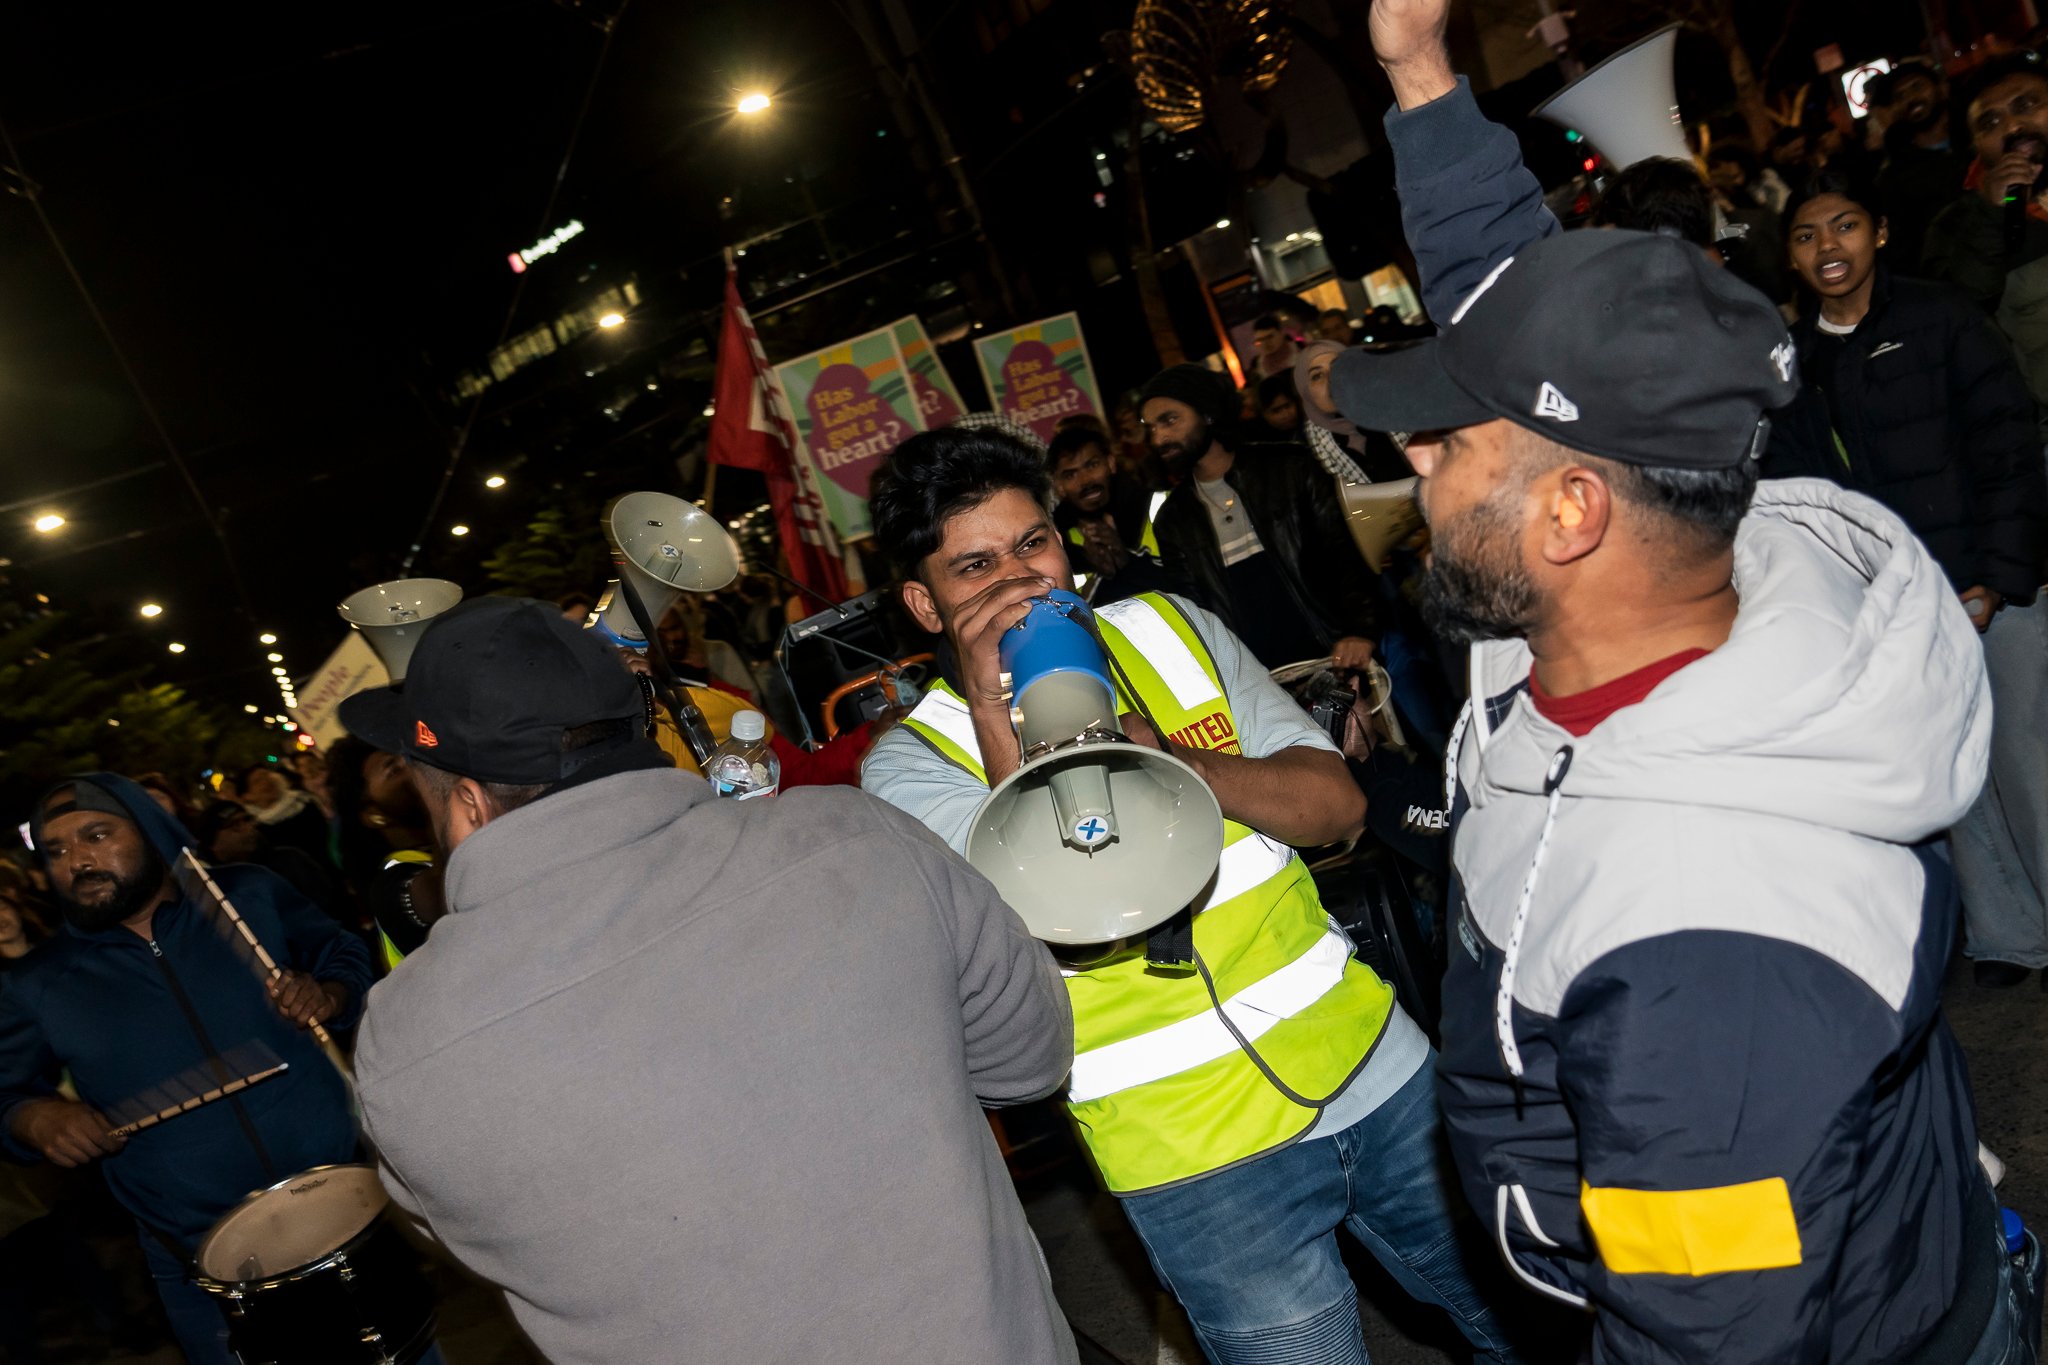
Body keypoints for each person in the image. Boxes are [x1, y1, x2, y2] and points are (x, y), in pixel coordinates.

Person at [1332, 213, 2015, 1361]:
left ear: (1570, 512)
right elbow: (1558, 321)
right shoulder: (1641, 611)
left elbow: (1712, 1331)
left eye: (1450, 441)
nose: (1415, 460)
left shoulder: (1702, 944)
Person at [861, 427, 1523, 1365]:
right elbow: (1032, 924)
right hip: (1191, 1158)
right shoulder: (909, 765)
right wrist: (996, 717)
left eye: (1032, 544)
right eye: (976, 567)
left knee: (1530, 1324)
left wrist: (1177, 761)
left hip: (1375, 1066)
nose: (1018, 582)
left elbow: (1336, 805)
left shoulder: (1171, 629)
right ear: (925, 603)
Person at [336, 595, 1078, 1364]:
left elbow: (469, 1232)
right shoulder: (856, 835)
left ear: (467, 805)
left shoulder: (403, 1045)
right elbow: (1030, 1060)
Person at [1772, 167, 2048, 986]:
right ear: (1791, 257)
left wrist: (1997, 577)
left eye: (1845, 225)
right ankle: (2009, 938)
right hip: (1896, 609)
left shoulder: (1940, 317)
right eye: (1807, 234)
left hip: (1985, 587)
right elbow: (1802, 500)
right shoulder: (1792, 364)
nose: (1828, 246)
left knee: (2027, 760)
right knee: (1950, 776)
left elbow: (2008, 446)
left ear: (1880, 233)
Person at [0, 774, 373, 1365]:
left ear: (149, 832)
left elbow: (342, 952)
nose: (77, 861)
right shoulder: (37, 984)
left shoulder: (247, 896)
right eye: (57, 850)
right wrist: (36, 1119)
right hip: (199, 1259)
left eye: (96, 836)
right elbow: (6, 1096)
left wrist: (328, 993)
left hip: (344, 1211)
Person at [1140, 363, 1378, 672]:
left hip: (1338, 656)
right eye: (1150, 428)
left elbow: (1346, 555)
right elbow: (1196, 614)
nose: (1159, 438)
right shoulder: (1173, 520)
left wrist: (1359, 631)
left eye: (1169, 420)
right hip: (1260, 683)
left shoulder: (1289, 468)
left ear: (1207, 413)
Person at [1924, 52, 2048, 418]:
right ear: (1975, 145)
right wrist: (1993, 215)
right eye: (1990, 123)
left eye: (2026, 105)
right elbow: (1956, 320)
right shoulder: (1958, 224)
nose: (2012, 127)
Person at [1045, 425, 1172, 603]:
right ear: (1058, 485)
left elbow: (1191, 583)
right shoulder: (1055, 543)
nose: (1085, 480)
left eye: (1092, 465)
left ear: (1111, 463)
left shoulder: (1162, 506)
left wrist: (1127, 562)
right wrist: (1093, 568)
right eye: (1070, 475)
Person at [1869, 64, 1970, 267]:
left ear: (1941, 89)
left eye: (1917, 87)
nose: (1911, 99)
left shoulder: (1978, 140)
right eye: (1900, 96)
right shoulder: (1893, 179)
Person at [238, 763, 333, 867]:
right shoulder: (258, 829)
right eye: (257, 781)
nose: (266, 781)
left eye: (266, 775)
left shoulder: (302, 801)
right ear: (247, 796)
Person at [1254, 370, 1305, 441]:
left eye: (1287, 406)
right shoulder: (1260, 439)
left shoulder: (1308, 427)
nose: (1286, 415)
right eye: (1276, 411)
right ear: (1264, 414)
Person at [1249, 312, 1299, 378]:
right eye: (1261, 340)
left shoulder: (1299, 350)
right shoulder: (1259, 367)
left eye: (1269, 337)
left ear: (1281, 333)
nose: (1265, 343)